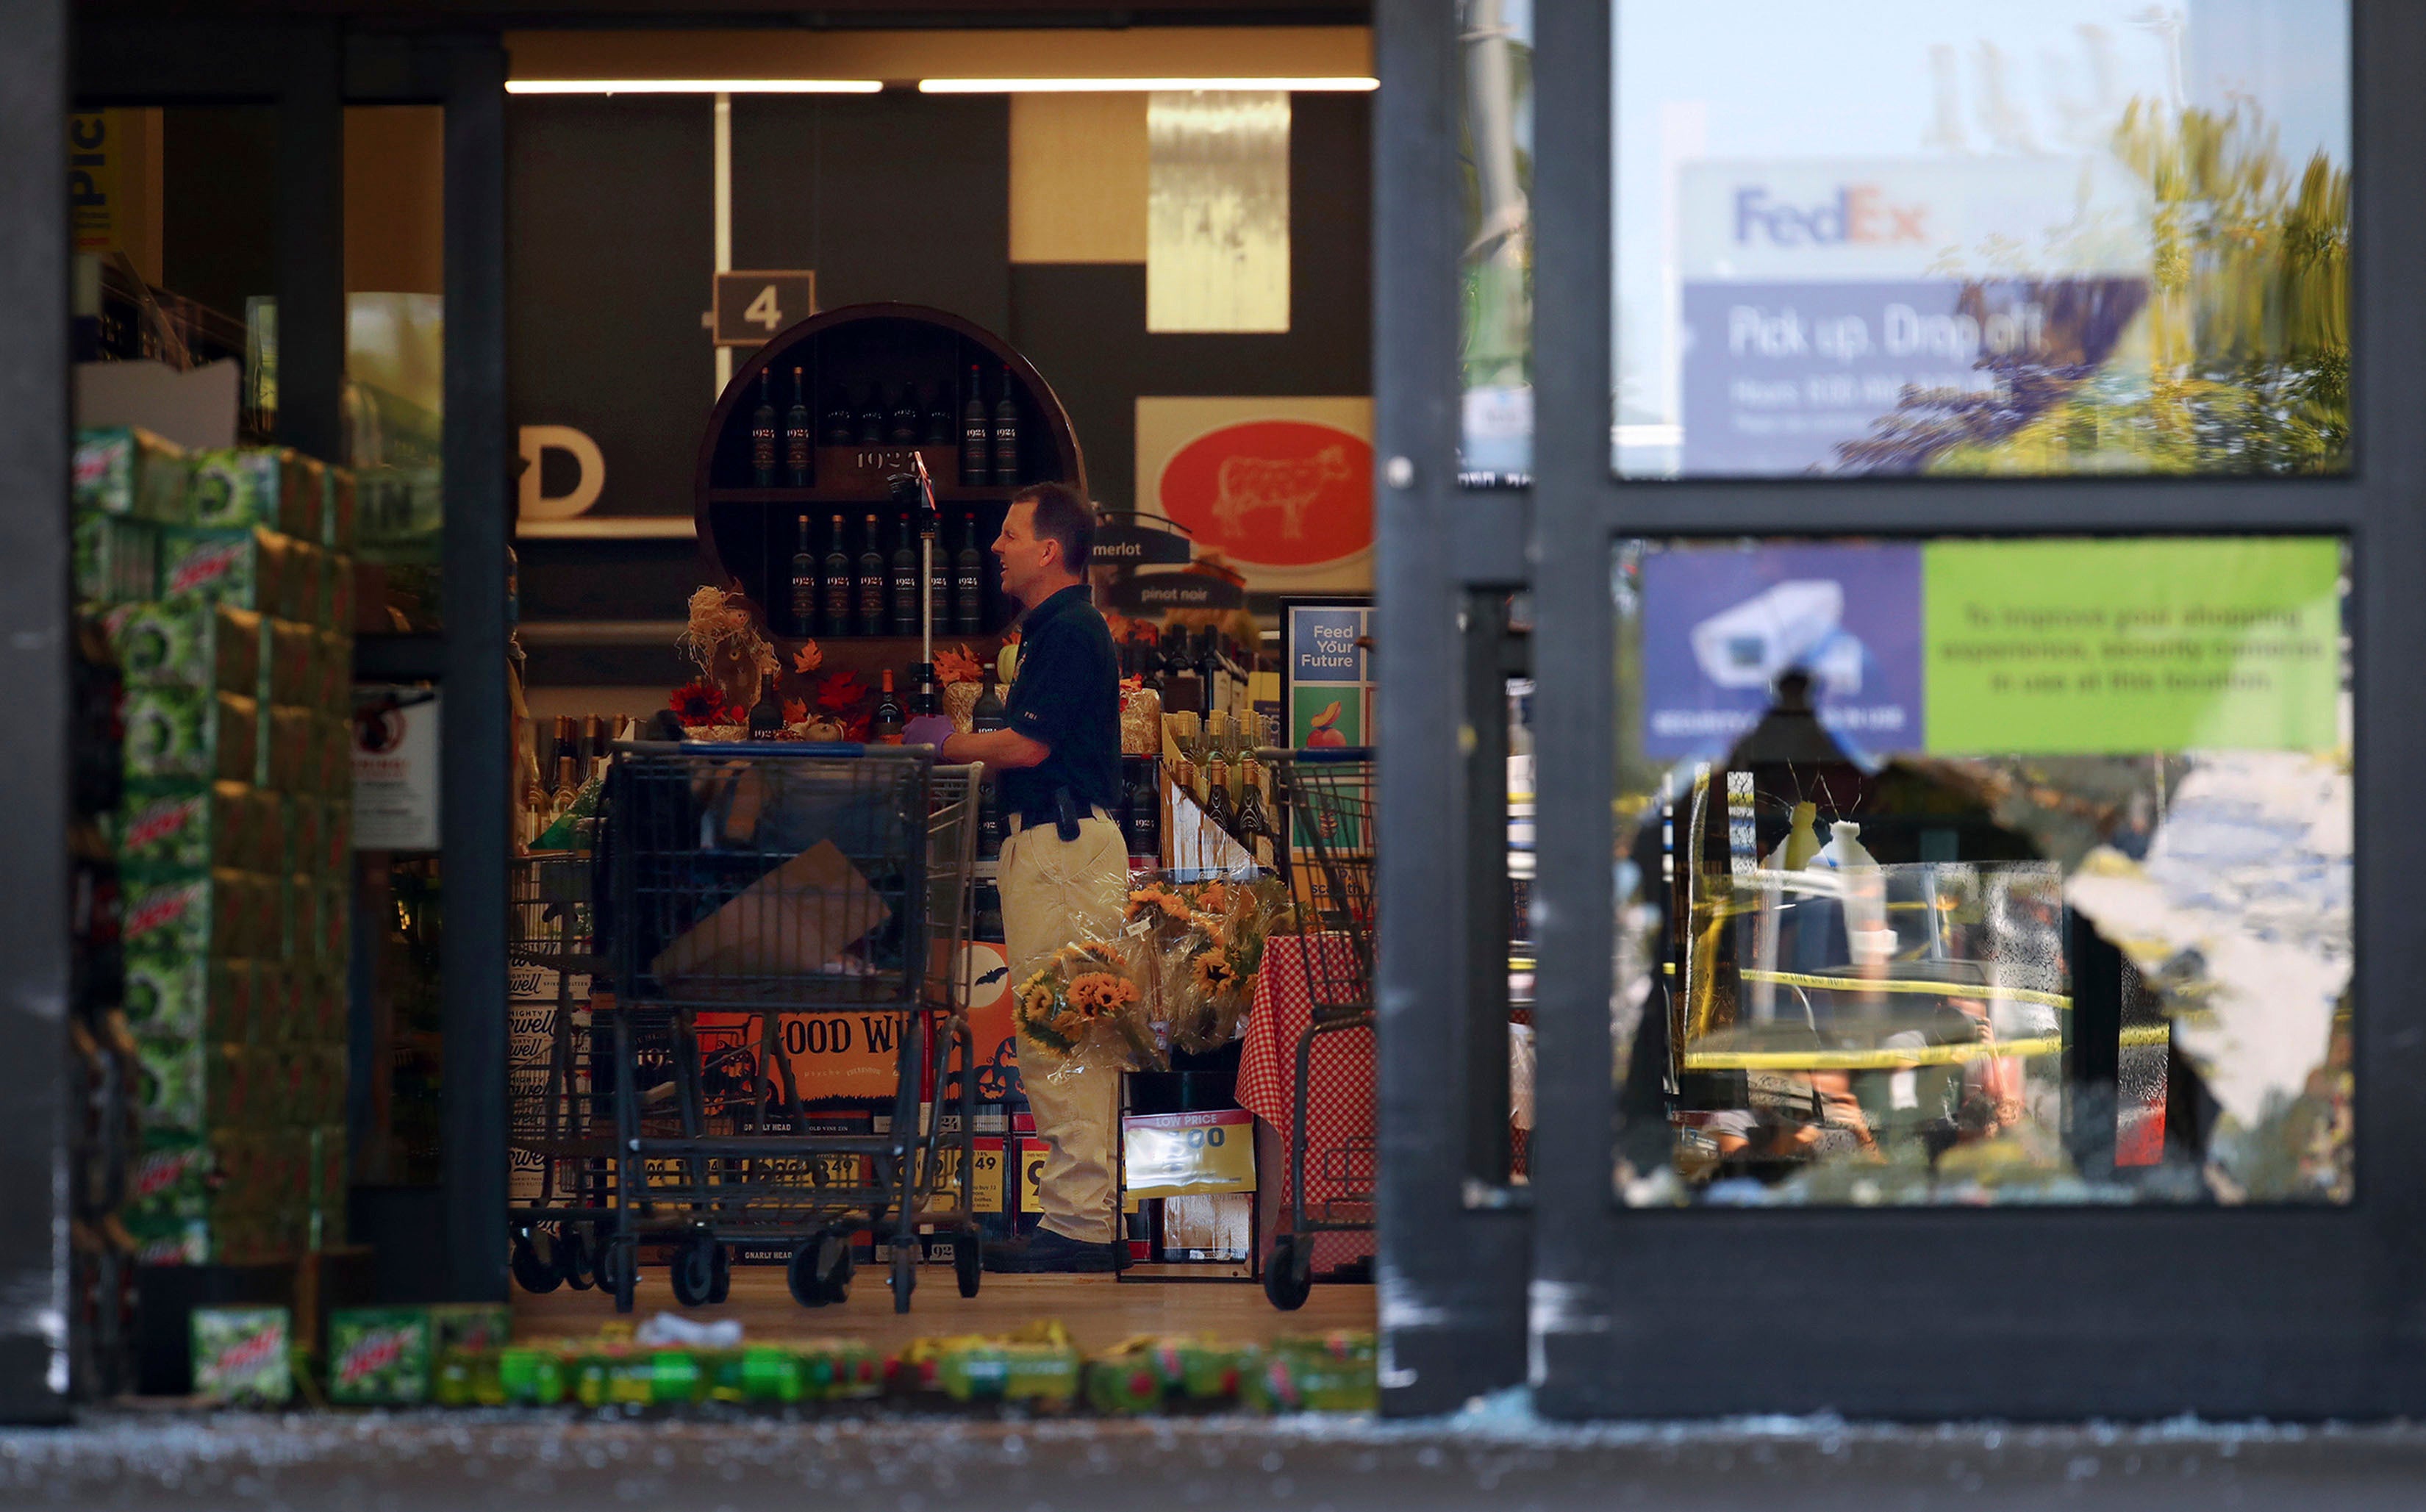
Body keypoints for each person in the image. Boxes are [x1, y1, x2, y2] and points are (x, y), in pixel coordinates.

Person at [901, 482, 1126, 1272]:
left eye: (1009, 533)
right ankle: (1082, 1217)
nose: (996, 546)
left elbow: (1027, 748)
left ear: (1049, 549)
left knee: (1059, 1029)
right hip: (1059, 845)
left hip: (1062, 848)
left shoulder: (1068, 628)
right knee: (1065, 1029)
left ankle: (1078, 1227)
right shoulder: (1056, 629)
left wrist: (945, 743)